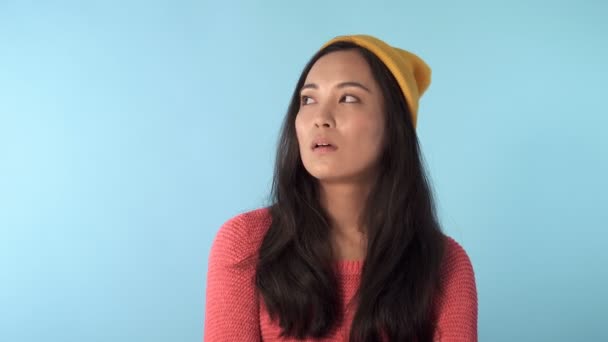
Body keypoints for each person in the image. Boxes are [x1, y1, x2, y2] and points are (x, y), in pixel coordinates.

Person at [204, 34, 478, 341]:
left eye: (348, 98)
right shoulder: (244, 244)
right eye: (308, 100)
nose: (320, 118)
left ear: (393, 126)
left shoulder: (446, 264)